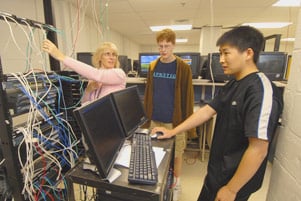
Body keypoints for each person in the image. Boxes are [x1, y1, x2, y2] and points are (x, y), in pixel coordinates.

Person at [151, 26, 283, 201]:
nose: (221, 60)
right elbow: (207, 111)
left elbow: (258, 149)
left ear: (248, 53)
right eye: (220, 54)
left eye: (226, 53)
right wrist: (172, 132)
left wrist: (231, 189)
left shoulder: (260, 90)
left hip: (234, 181)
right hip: (217, 174)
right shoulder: (234, 83)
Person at [143, 28, 196, 201]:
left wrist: (189, 124)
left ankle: (176, 183)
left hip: (175, 121)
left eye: (166, 46)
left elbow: (188, 97)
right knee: (156, 152)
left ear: (173, 45)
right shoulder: (153, 65)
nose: (163, 50)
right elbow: (149, 93)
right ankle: (159, 182)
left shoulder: (182, 67)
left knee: (177, 154)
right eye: (160, 46)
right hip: (155, 118)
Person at [42, 40, 127, 104]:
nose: (112, 57)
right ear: (100, 57)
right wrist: (89, 90)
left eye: (114, 55)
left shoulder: (119, 74)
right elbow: (84, 102)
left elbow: (97, 74)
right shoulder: (94, 77)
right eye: (107, 54)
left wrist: (61, 56)